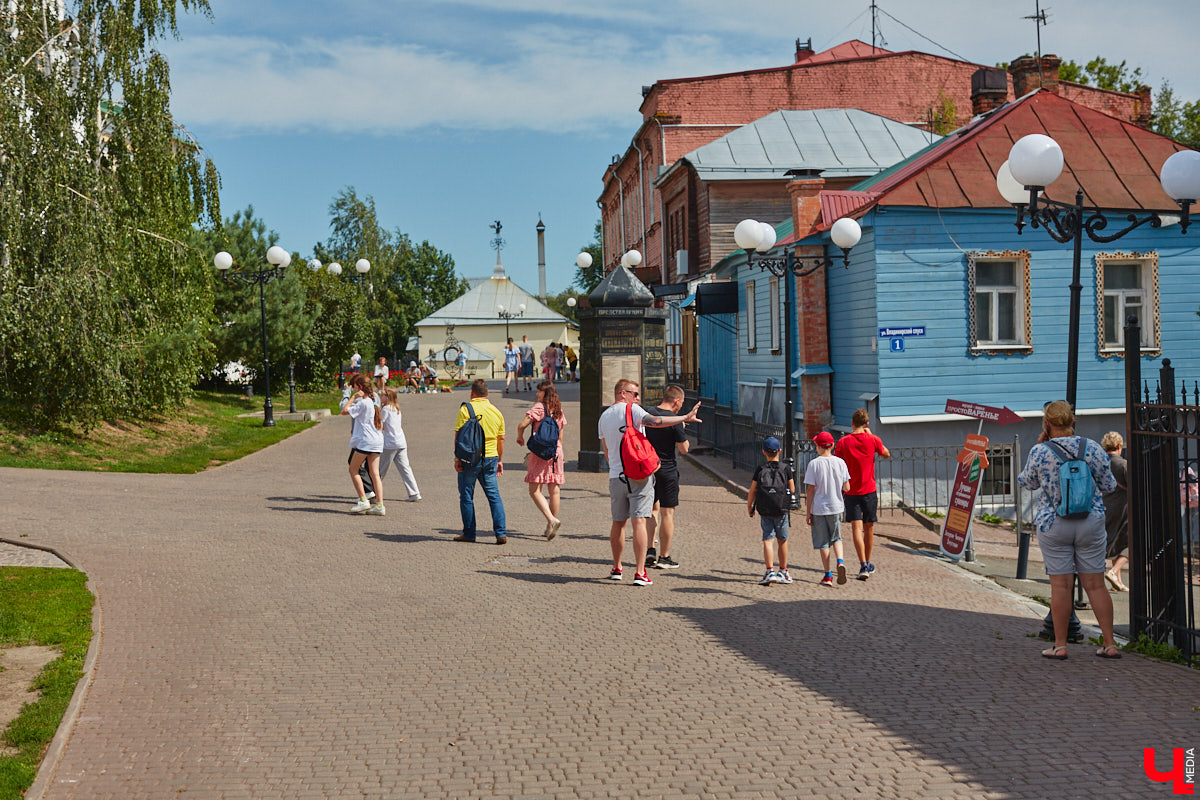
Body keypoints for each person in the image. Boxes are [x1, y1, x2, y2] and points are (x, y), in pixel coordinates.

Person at [1017, 400, 1120, 660]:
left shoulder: (1040, 451)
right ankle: (1109, 643)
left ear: (1047, 424)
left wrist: (1041, 444)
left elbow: (1026, 482)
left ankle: (1060, 645)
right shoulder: (1093, 448)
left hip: (1054, 523)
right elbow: (1109, 486)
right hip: (1090, 522)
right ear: (1072, 421)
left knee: (1061, 586)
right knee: (1096, 585)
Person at [598, 379, 701, 586]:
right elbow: (656, 421)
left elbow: (607, 451)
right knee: (639, 522)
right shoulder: (632, 410)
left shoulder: (604, 416)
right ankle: (639, 572)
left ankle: (617, 568)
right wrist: (684, 417)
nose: (638, 399)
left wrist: (617, 467)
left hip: (616, 476)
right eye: (634, 394)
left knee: (618, 523)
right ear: (623, 394)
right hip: (639, 476)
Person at [833, 408, 891, 580]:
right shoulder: (873, 439)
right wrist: (871, 435)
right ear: (866, 424)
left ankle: (863, 564)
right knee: (869, 527)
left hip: (851, 490)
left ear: (852, 423)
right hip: (869, 490)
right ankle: (868, 561)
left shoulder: (843, 442)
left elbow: (837, 462)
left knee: (856, 528)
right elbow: (886, 454)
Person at [453, 379, 507, 544]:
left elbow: (459, 436)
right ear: (487, 393)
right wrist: (499, 459)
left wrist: (457, 458)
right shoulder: (496, 411)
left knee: (467, 496)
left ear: (472, 393)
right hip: (491, 457)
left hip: (470, 459)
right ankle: (500, 533)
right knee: (494, 496)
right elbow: (501, 439)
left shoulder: (465, 409)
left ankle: (469, 533)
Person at [644, 384, 690, 570]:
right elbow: (684, 449)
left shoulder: (649, 413)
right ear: (676, 401)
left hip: (648, 467)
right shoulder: (675, 420)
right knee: (667, 512)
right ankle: (664, 556)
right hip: (667, 469)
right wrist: (682, 429)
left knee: (651, 510)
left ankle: (649, 549)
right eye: (682, 403)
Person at [516, 380, 566, 539]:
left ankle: (551, 520)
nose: (537, 394)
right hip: (556, 451)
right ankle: (550, 526)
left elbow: (522, 424)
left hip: (540, 451)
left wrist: (520, 437)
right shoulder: (559, 410)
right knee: (554, 489)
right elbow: (560, 435)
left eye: (539, 392)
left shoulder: (539, 407)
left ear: (545, 393)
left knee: (534, 490)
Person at [804, 431, 852, 587]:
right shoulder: (840, 463)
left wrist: (808, 511)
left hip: (819, 508)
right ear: (832, 445)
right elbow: (847, 487)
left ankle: (828, 575)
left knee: (823, 543)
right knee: (837, 538)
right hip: (836, 506)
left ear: (818, 446)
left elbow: (810, 490)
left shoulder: (813, 464)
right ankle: (840, 561)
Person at [747, 436, 796, 584]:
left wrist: (750, 506)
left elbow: (752, 490)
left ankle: (769, 571)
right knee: (782, 540)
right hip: (781, 509)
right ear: (779, 451)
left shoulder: (760, 469)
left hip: (765, 509)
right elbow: (792, 489)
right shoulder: (786, 469)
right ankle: (783, 571)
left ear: (764, 452)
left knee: (768, 540)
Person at [341, 374, 385, 516]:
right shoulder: (373, 401)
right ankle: (379, 505)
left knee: (353, 469)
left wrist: (353, 398)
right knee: (375, 473)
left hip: (366, 441)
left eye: (355, 387)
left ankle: (363, 500)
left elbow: (344, 411)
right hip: (377, 440)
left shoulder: (362, 402)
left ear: (359, 387)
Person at [379, 388, 421, 502]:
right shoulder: (397, 408)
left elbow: (380, 426)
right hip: (401, 441)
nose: (380, 396)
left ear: (387, 397)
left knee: (379, 470)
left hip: (390, 443)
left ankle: (372, 492)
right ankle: (414, 492)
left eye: (382, 395)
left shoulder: (385, 409)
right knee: (405, 468)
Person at [1100, 431, 1129, 592]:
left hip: (1106, 505)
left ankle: (1117, 580)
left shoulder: (1101, 464)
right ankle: (1113, 571)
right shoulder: (1123, 464)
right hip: (1123, 507)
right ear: (1119, 446)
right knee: (1129, 543)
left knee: (1112, 540)